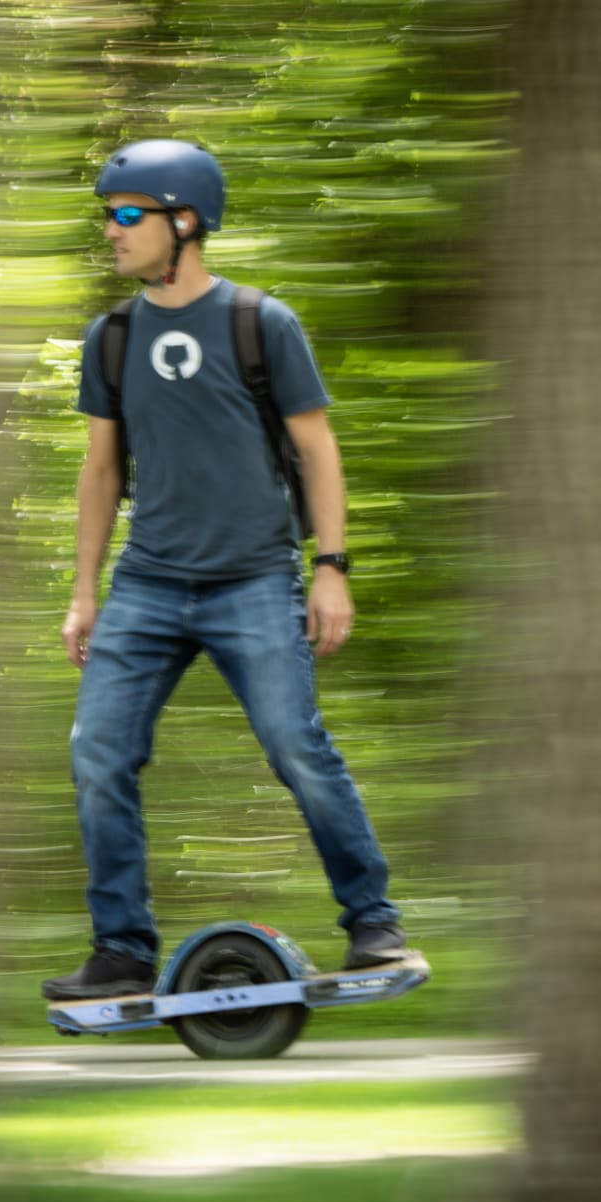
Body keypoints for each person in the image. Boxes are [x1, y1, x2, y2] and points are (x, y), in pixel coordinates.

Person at [41, 139, 407, 1002]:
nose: (111, 230)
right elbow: (100, 470)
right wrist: (84, 591)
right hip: (147, 584)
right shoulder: (113, 337)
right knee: (97, 750)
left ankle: (372, 925)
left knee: (295, 746)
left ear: (186, 221)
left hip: (252, 579)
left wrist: (330, 566)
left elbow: (316, 448)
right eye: (108, 215)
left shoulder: (259, 323)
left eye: (128, 214)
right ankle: (122, 949)